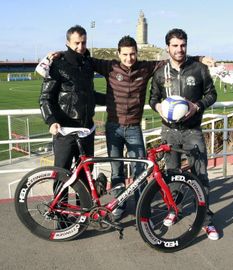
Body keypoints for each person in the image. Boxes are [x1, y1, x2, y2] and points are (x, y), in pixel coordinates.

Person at [40, 36, 215, 221]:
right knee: (117, 171)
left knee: (140, 170)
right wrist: (59, 55)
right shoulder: (109, 66)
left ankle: (141, 208)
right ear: (118, 54)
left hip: (134, 129)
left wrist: (199, 59)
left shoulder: (145, 67)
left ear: (137, 54)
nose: (129, 58)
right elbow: (82, 57)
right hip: (113, 128)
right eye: (125, 54)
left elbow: (173, 57)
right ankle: (119, 205)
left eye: (132, 54)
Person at [149, 28, 219, 240]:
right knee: (172, 174)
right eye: (175, 46)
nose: (179, 49)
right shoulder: (160, 73)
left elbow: (211, 95)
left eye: (183, 45)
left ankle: (206, 220)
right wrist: (158, 107)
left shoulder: (198, 69)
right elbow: (152, 99)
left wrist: (197, 106)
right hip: (169, 132)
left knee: (200, 175)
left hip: (192, 132)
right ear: (168, 47)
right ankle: (173, 210)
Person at [39, 25, 105, 177]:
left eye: (83, 43)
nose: (80, 47)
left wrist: (113, 99)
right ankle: (60, 203)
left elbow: (89, 95)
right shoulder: (57, 64)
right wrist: (50, 120)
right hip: (65, 132)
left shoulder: (87, 64)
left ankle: (85, 203)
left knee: (86, 178)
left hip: (87, 130)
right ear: (68, 43)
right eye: (76, 43)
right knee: (62, 177)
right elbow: (45, 97)